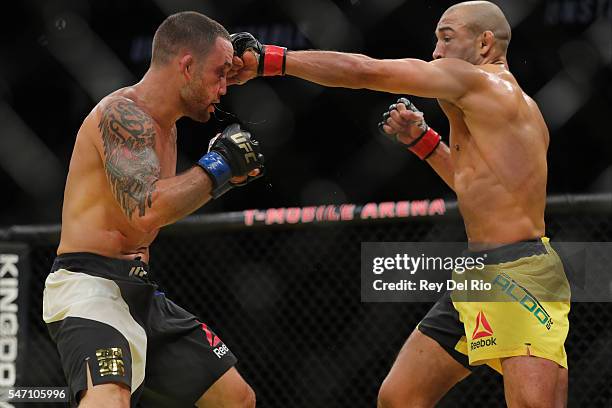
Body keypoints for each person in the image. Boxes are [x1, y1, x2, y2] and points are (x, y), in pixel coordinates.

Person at [229, 1, 570, 407]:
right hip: (479, 275)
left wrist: (272, 60)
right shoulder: (515, 108)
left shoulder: (477, 82)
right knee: (399, 397)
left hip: (519, 275)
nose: (437, 52)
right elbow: (477, 188)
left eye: (447, 38)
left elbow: (367, 72)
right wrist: (425, 144)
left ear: (484, 43)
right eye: (435, 40)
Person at [42, 11, 263, 408]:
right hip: (88, 285)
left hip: (140, 290)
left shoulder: (168, 126)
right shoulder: (123, 115)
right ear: (186, 66)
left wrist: (226, 175)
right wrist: (219, 166)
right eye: (218, 74)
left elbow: (166, 202)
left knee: (236, 398)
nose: (224, 88)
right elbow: (145, 211)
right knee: (108, 400)